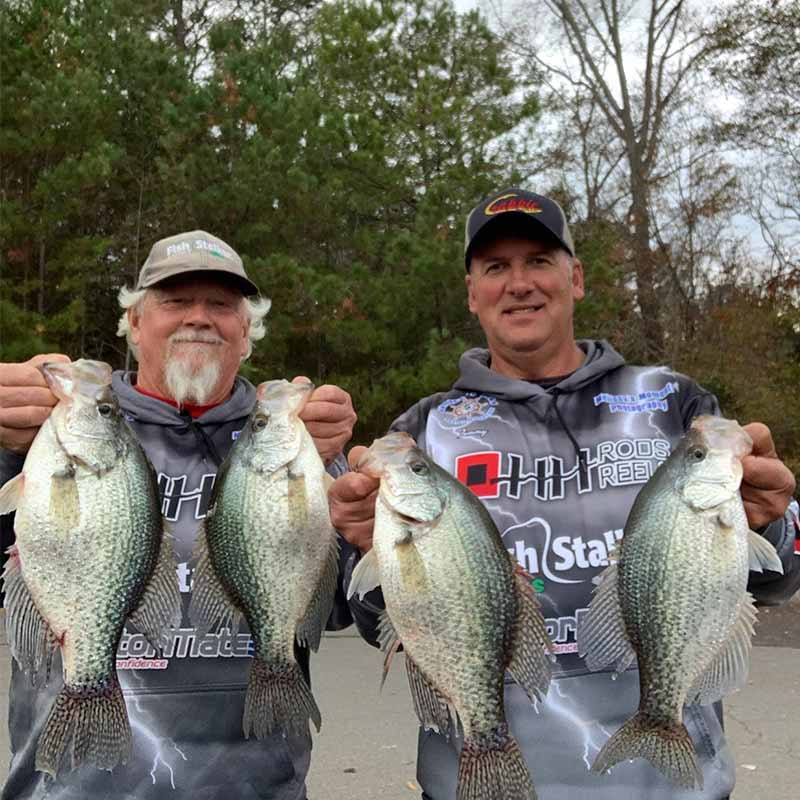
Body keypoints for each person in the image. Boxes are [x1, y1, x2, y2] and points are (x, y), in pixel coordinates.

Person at [329, 188, 800, 800]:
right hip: (477, 781)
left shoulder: (674, 404)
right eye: (496, 267)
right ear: (473, 294)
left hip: (671, 786)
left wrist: (768, 525)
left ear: (575, 278)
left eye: (539, 261)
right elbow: (378, 622)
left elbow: (780, 576)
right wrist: (366, 549)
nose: (519, 283)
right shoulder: (423, 432)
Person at [0, 230, 358, 800]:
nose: (199, 317)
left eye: (220, 305)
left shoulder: (300, 441)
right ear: (135, 324)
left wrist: (351, 503)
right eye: (174, 301)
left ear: (247, 333)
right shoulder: (39, 433)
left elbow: (342, 609)